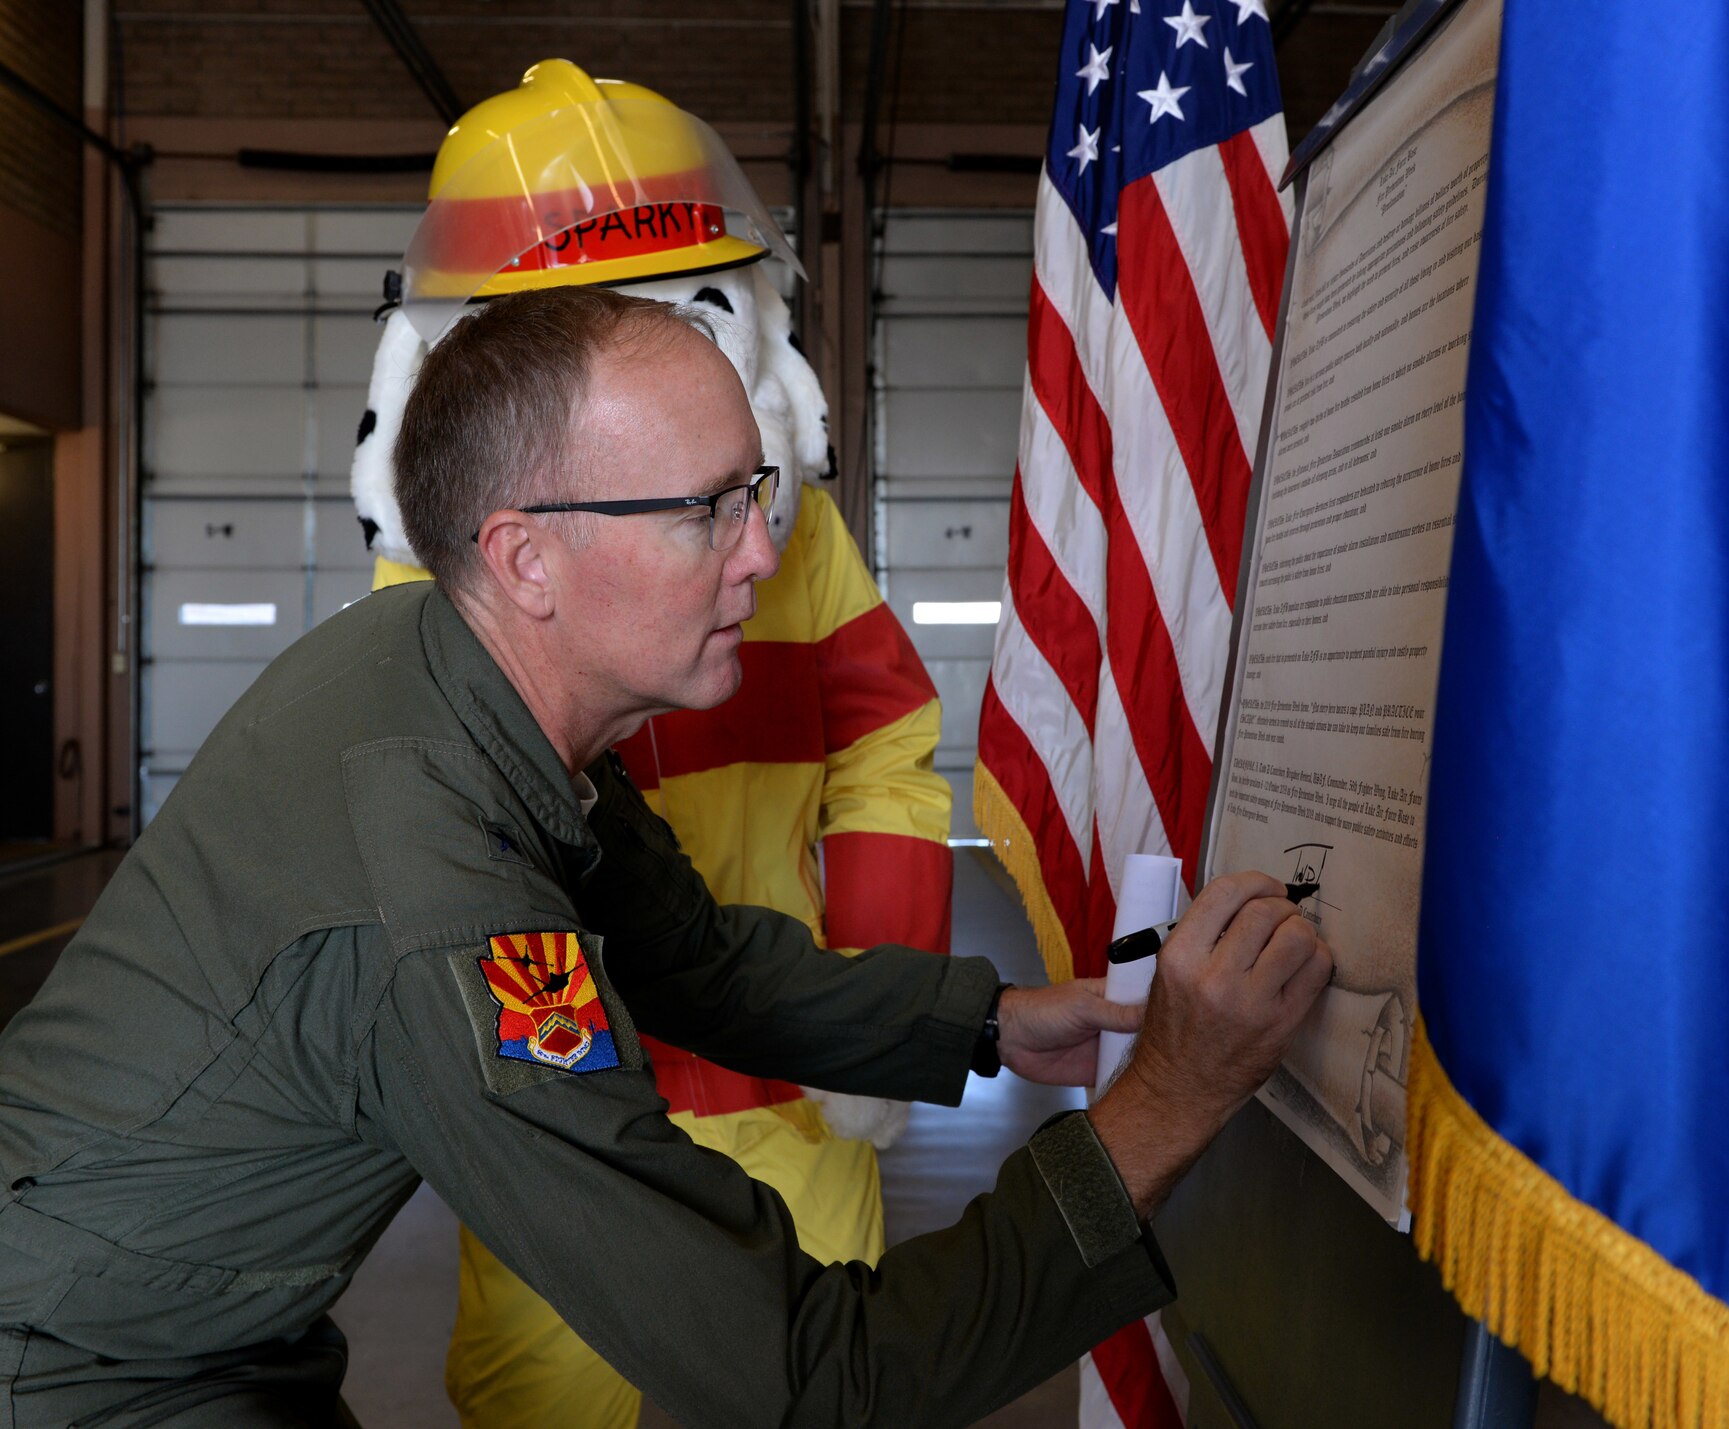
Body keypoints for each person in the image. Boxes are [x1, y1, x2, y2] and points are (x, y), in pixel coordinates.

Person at [0, 286, 1333, 1428]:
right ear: (526, 556)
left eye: (754, 491)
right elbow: (802, 1372)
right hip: (87, 1369)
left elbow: (690, 963)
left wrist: (985, 1019)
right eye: (707, 510)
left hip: (185, 1331)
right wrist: (1163, 1104)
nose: (763, 552)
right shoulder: (438, 904)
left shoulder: (468, 686)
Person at [349, 63, 955, 1428]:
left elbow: (889, 750)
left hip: (786, 1087)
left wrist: (879, 1000)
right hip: (565, 1111)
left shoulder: (789, 544)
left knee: (834, 1378)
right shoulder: (438, 589)